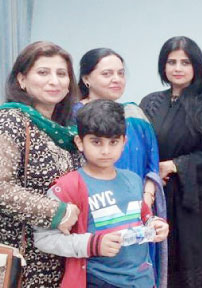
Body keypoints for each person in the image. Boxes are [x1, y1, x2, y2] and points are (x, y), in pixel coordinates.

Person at [33, 99, 169, 288]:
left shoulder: (132, 179)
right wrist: (92, 244)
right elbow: (44, 239)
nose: (105, 151)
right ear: (80, 142)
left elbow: (143, 214)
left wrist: (154, 223)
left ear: (124, 142)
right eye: (96, 142)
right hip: (98, 281)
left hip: (142, 279)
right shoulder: (69, 186)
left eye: (113, 142)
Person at [72, 48, 167, 286]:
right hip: (95, 213)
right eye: (107, 73)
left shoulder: (135, 113)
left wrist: (147, 194)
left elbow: (151, 160)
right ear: (86, 78)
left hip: (135, 208)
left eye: (120, 73)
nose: (116, 79)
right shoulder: (72, 116)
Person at [139, 36, 202, 288]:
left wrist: (175, 165)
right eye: (171, 62)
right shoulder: (150, 102)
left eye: (185, 62)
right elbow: (138, 144)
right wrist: (152, 172)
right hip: (153, 192)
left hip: (191, 200)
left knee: (189, 258)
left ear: (196, 66)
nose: (178, 68)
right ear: (163, 66)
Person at [0, 41, 81, 287]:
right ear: (22, 80)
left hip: (57, 259)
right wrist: (57, 213)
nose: (54, 81)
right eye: (43, 72)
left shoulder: (67, 132)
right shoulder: (11, 120)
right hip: (20, 260)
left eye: (61, 74)